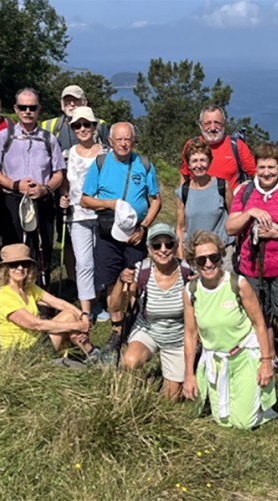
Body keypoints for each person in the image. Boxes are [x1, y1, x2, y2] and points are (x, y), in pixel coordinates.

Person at [225, 142, 278, 389]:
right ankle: (268, 359)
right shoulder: (245, 192)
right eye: (262, 167)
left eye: (271, 167)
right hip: (252, 267)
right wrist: (250, 212)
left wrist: (276, 234)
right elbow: (231, 227)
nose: (266, 172)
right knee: (260, 317)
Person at [182, 230, 278, 429]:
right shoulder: (190, 291)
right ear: (193, 262)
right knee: (223, 422)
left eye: (213, 257)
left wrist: (266, 362)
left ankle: (261, 402)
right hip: (215, 359)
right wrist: (189, 374)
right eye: (201, 260)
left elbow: (259, 323)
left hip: (243, 355)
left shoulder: (238, 284)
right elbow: (191, 334)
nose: (208, 264)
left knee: (244, 424)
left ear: (220, 257)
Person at [81, 122, 161, 352]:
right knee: (111, 281)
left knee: (136, 280)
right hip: (108, 231)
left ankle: (136, 324)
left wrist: (144, 227)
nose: (124, 144)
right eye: (119, 139)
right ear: (110, 142)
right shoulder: (101, 163)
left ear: (133, 141)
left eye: (128, 139)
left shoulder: (144, 165)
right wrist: (109, 204)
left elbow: (156, 200)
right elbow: (85, 199)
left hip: (135, 232)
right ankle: (117, 330)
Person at [0, 88, 65, 285]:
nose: (27, 111)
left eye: (32, 107)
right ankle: (14, 297)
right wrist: (14, 185)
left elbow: (59, 173)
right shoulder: (4, 137)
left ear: (39, 109)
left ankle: (41, 294)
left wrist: (45, 189)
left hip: (42, 201)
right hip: (12, 201)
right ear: (16, 109)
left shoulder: (49, 139)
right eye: (23, 107)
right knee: (14, 250)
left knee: (42, 249)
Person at [110, 224, 191, 399]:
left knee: (171, 398)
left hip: (177, 336)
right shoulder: (141, 271)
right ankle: (130, 396)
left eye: (169, 244)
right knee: (130, 361)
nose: (163, 250)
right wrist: (121, 281)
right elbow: (116, 307)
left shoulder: (188, 271)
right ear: (149, 248)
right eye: (156, 245)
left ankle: (181, 372)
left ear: (176, 246)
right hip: (148, 329)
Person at [0, 244, 99, 358]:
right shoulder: (5, 297)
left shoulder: (28, 288)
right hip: (22, 353)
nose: (20, 268)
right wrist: (77, 326)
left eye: (25, 264)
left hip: (37, 341)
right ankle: (92, 353)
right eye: (14, 265)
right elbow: (35, 324)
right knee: (70, 319)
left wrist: (83, 316)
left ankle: (86, 351)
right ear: (5, 269)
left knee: (70, 314)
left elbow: (57, 302)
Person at [58, 107, 105, 319]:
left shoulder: (107, 154)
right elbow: (65, 183)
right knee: (84, 262)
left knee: (99, 260)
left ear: (95, 126)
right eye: (78, 125)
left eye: (87, 124)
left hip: (102, 215)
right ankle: (86, 309)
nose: (83, 129)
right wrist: (63, 196)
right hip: (77, 215)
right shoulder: (67, 155)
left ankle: (97, 299)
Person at [176, 138, 233, 265]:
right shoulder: (183, 192)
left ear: (209, 162)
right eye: (194, 161)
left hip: (222, 254)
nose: (199, 165)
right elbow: (180, 227)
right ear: (189, 165)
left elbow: (234, 218)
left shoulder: (222, 186)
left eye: (203, 160)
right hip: (194, 254)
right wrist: (181, 256)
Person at [178, 105, 256, 191]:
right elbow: (184, 174)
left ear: (224, 124)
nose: (212, 128)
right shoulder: (191, 145)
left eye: (217, 123)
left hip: (230, 202)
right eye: (207, 123)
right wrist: (182, 199)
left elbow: (256, 174)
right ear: (200, 125)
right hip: (198, 201)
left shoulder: (237, 146)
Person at [40, 85, 109, 153]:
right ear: (62, 105)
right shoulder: (48, 126)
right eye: (67, 101)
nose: (72, 104)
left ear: (84, 102)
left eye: (76, 100)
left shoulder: (99, 125)